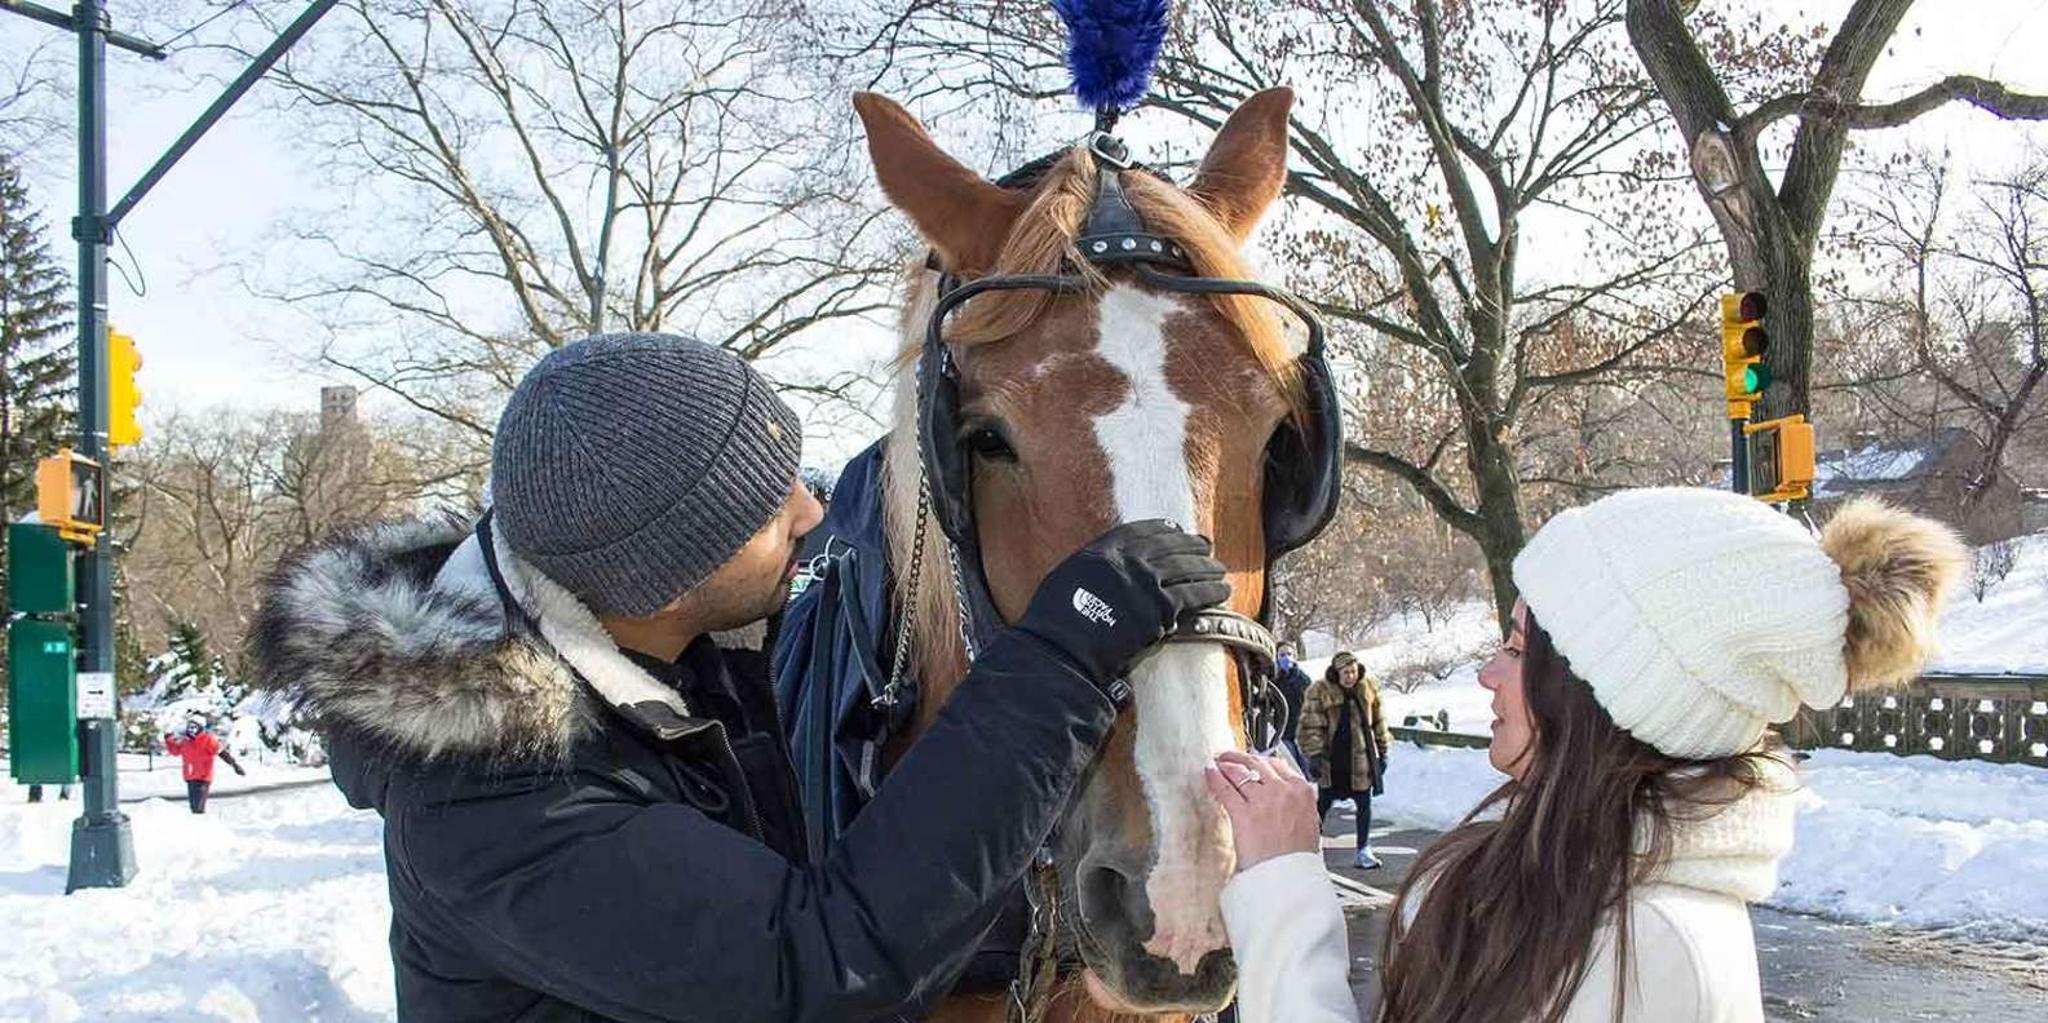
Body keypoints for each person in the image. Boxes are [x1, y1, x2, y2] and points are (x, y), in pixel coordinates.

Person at [248, 332, 1231, 1023]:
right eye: (772, 508)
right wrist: (1059, 657)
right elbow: (815, 963)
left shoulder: (670, 665)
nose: (812, 514)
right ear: (667, 572)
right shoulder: (498, 800)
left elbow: (820, 876)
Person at [1205, 491, 1966, 1023]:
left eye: (1517, 646)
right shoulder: (1579, 889)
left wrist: (1286, 896)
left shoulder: (1647, 945)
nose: (1488, 673)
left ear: (1606, 694)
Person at [1295, 650, 1390, 869]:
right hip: (1333, 760)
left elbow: (1379, 722)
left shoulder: (1368, 688)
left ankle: (1363, 850)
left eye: (1353, 672)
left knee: (1364, 803)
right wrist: (1315, 755)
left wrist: (1383, 751)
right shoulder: (1320, 691)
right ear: (1337, 673)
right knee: (1323, 804)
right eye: (1346, 672)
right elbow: (1310, 725)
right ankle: (1310, 847)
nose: (1350, 676)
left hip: (1360, 759)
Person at [164, 718, 245, 814]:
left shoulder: (207, 740)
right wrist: (168, 739)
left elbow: (221, 752)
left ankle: (203, 825)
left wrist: (234, 765)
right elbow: (175, 751)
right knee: (194, 807)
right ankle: (199, 825)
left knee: (198, 808)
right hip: (190, 777)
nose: (191, 730)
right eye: (190, 727)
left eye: (194, 727)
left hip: (203, 778)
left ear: (200, 728)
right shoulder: (186, 742)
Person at [1273, 643, 1313, 770]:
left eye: (1289, 654)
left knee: (1309, 770)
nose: (1286, 658)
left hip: (1303, 734)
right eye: (1282, 655)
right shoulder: (1274, 682)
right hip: (1284, 735)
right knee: (1294, 770)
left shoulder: (1304, 681)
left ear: (1295, 657)